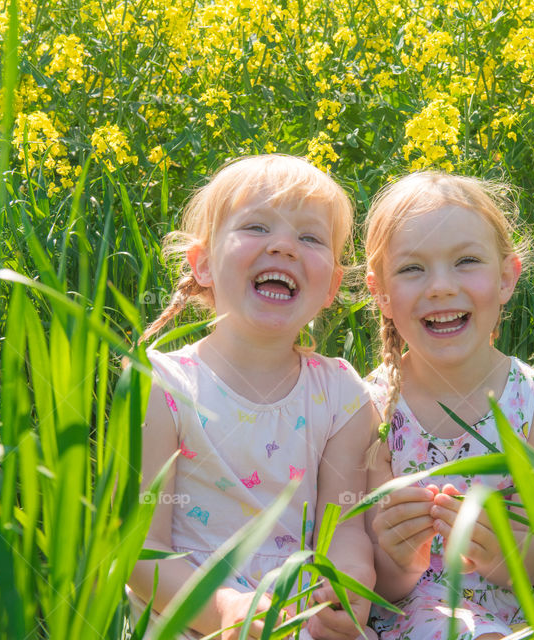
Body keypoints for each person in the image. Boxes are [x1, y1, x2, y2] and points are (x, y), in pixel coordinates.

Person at [127, 155, 377, 640]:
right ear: (202, 265)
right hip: (187, 611)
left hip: (297, 613)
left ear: (331, 286)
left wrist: (347, 583)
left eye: (309, 238)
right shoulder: (162, 385)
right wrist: (224, 610)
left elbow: (345, 526)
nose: (283, 246)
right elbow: (142, 551)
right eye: (257, 227)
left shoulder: (343, 394)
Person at [361, 172, 534, 639]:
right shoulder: (368, 407)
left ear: (507, 277)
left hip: (519, 613)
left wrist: (498, 553)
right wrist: (401, 555)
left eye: (466, 261)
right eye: (412, 269)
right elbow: (381, 586)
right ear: (381, 294)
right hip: (417, 614)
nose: (441, 287)